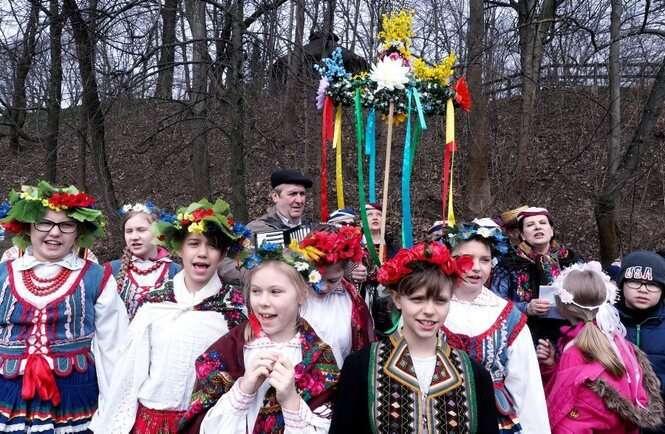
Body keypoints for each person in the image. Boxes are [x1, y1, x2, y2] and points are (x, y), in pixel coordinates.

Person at [90, 198, 249, 433]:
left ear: (223, 253)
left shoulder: (234, 311)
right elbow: (129, 372)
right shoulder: (155, 303)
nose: (202, 253)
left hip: (206, 424)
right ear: (179, 248)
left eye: (213, 246)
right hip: (152, 423)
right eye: (194, 243)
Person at [330, 242, 499, 434]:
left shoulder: (474, 375)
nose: (429, 311)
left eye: (440, 301)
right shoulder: (360, 367)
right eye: (418, 299)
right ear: (397, 299)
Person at [0, 181, 128, 432]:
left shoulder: (96, 278)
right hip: (7, 395)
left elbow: (114, 349)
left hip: (74, 397)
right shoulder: (3, 274)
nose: (55, 232)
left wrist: (113, 415)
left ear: (78, 232)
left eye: (66, 225)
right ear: (28, 227)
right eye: (44, 223)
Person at [179, 244, 339, 433]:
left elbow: (329, 427)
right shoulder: (230, 349)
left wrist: (290, 401)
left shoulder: (319, 356)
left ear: (302, 295)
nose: (263, 302)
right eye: (256, 291)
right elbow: (201, 426)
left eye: (275, 292)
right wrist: (243, 390)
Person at [442, 222, 550, 433]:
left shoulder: (507, 315)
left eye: (484, 260)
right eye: (466, 258)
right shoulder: (429, 308)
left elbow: (526, 385)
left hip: (492, 417)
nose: (476, 267)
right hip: (440, 414)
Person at [537, 262, 664, 433]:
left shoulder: (576, 350)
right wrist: (552, 366)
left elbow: (571, 411)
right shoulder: (616, 340)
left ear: (563, 305)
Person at [491, 207, 582, 344]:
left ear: (551, 231)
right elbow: (495, 301)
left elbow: (590, 294)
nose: (537, 227)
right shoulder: (508, 264)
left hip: (570, 334)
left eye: (542, 223)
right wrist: (526, 308)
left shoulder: (571, 260)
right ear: (522, 235)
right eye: (530, 225)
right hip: (524, 335)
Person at [296, 225, 374, 367]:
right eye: (316, 278)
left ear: (344, 272)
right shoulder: (292, 294)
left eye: (332, 280)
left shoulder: (351, 301)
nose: (323, 287)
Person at [616, 251, 665, 434]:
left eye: (652, 285)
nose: (643, 290)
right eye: (635, 282)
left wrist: (655, 385)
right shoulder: (605, 322)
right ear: (622, 284)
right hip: (616, 419)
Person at [106, 202, 181, 320]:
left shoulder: (176, 272)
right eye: (129, 231)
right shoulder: (110, 270)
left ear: (157, 233)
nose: (134, 237)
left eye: (141, 230)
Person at [247, 169, 314, 233]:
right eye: (293, 194)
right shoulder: (256, 230)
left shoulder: (312, 228)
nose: (299, 201)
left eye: (302, 194)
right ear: (275, 197)